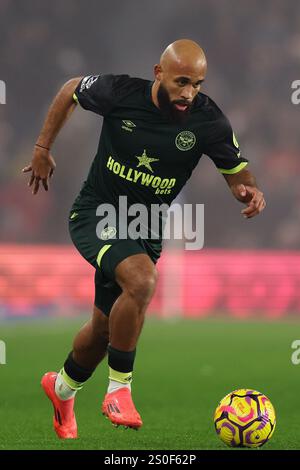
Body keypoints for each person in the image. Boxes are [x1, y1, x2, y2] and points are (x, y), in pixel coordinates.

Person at [22, 39, 266, 439]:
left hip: (146, 226)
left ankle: (62, 388)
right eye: (182, 81)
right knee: (142, 280)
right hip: (96, 212)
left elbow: (237, 170)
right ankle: (119, 389)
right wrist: (42, 147)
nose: (189, 92)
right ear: (159, 73)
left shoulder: (208, 121)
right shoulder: (121, 93)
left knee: (104, 330)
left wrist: (248, 190)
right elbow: (70, 90)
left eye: (198, 84)